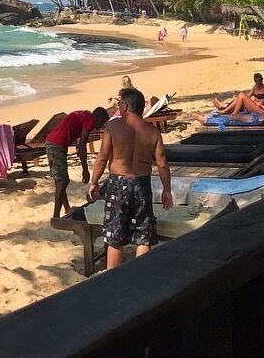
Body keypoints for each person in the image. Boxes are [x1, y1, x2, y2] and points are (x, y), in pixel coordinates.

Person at [88, 87, 172, 270]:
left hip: (118, 183)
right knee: (143, 235)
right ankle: (140, 276)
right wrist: (167, 190)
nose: (118, 106)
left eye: (119, 103)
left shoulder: (113, 127)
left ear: (126, 106)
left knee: (115, 236)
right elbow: (162, 163)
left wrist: (94, 182)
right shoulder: (152, 132)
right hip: (142, 183)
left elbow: (102, 158)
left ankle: (112, 277)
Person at [45, 107, 109, 218]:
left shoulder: (85, 115)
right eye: (103, 122)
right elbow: (82, 144)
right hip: (56, 144)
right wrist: (85, 169)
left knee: (60, 180)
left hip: (56, 143)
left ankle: (67, 209)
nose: (101, 125)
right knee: (62, 181)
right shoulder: (90, 119)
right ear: (99, 117)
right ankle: (56, 216)